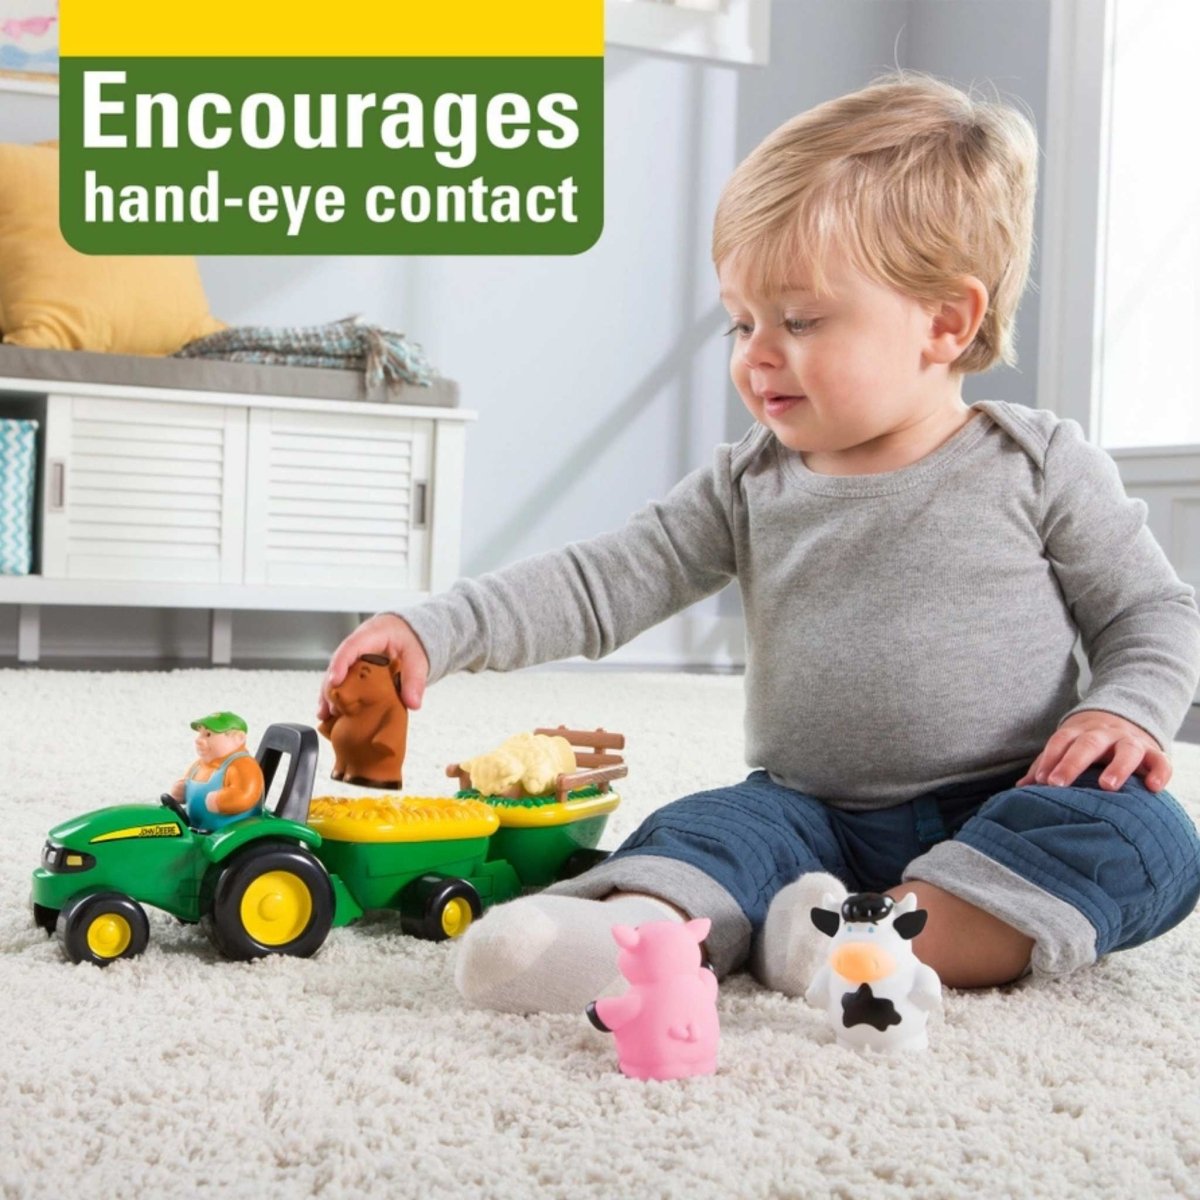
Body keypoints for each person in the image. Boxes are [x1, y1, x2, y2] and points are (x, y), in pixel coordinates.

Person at [319, 71, 1200, 1013]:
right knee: (706, 830)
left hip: (1005, 800)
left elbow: (1150, 610)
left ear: (946, 321)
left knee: (1145, 840)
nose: (756, 353)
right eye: (742, 323)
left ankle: (872, 936)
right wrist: (438, 628)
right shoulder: (750, 480)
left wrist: (1125, 712)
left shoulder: (1037, 463)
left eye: (800, 321)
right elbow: (601, 580)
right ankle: (626, 936)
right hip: (807, 809)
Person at [171, 711, 265, 833]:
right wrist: (182, 790)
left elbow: (245, 795)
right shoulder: (199, 765)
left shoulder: (243, 765)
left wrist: (219, 801)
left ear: (238, 738)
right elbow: (186, 784)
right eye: (200, 734)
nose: (198, 740)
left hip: (227, 831)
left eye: (208, 735)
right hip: (195, 827)